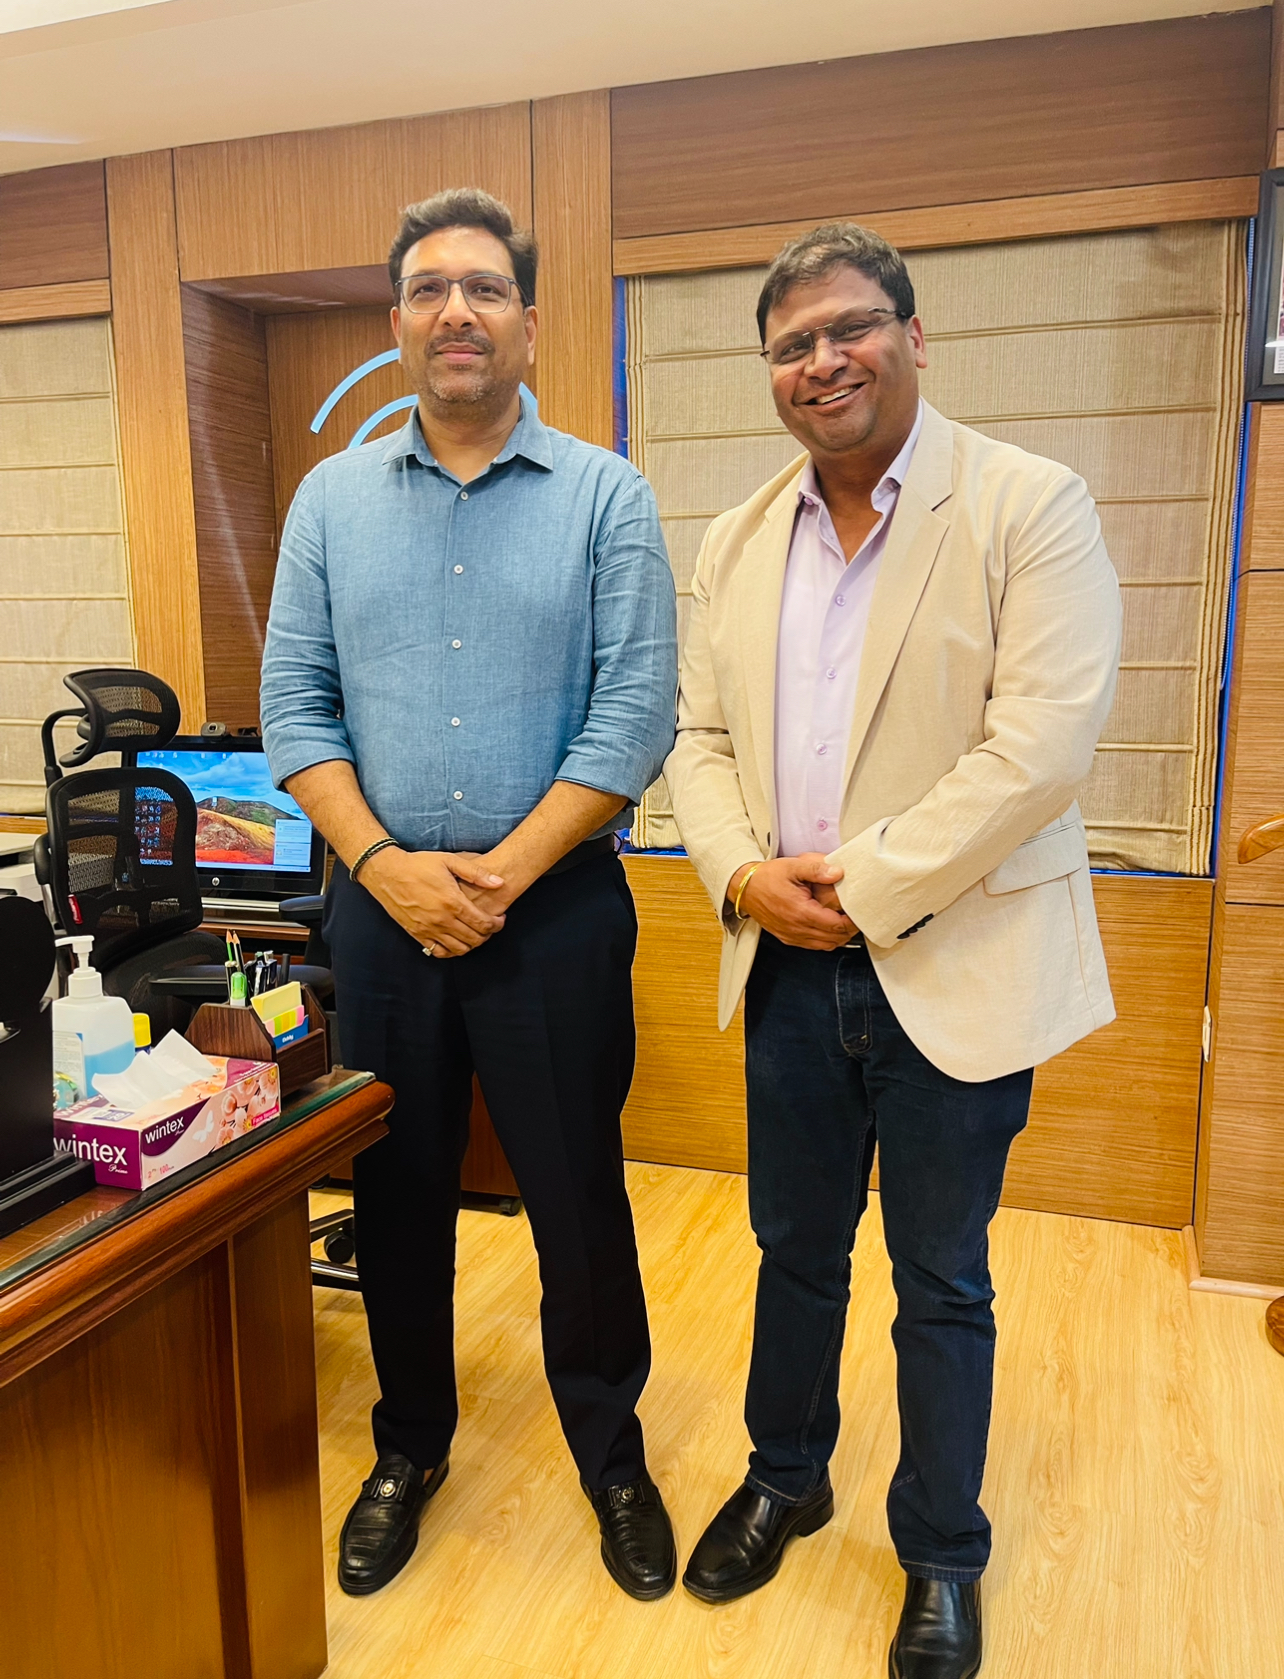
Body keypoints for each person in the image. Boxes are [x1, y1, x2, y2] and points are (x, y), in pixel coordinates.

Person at [665, 223, 1121, 1677]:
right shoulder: (737, 539)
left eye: (850, 327)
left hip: (955, 961)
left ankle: (940, 1551)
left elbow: (1039, 748)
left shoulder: (1028, 505)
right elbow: (699, 740)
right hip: (787, 966)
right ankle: (786, 1478)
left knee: (941, 1276)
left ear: (915, 337)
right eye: (791, 344)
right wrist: (744, 875)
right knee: (794, 1251)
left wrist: (857, 887)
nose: (823, 360)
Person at [260, 189, 679, 1601]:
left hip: (552, 912)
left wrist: (503, 873)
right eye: (431, 289)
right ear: (397, 321)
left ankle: (612, 1455)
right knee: (394, 1193)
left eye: (485, 288)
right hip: (381, 915)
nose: (457, 311)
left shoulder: (607, 496)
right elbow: (294, 708)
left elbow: (635, 712)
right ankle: (410, 1445)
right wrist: (385, 867)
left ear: (528, 321)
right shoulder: (329, 502)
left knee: (577, 1193)